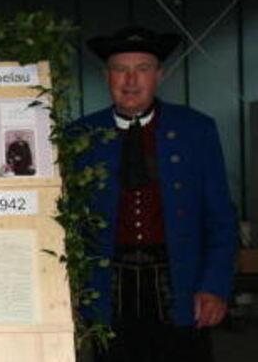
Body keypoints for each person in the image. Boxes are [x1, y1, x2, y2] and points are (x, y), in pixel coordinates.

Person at [75, 26, 238, 361]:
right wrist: (75, 295)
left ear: (159, 75)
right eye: (121, 70)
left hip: (180, 284)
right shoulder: (80, 136)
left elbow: (221, 218)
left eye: (143, 69)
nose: (131, 81)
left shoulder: (196, 129)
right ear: (106, 76)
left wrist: (214, 286)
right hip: (109, 288)